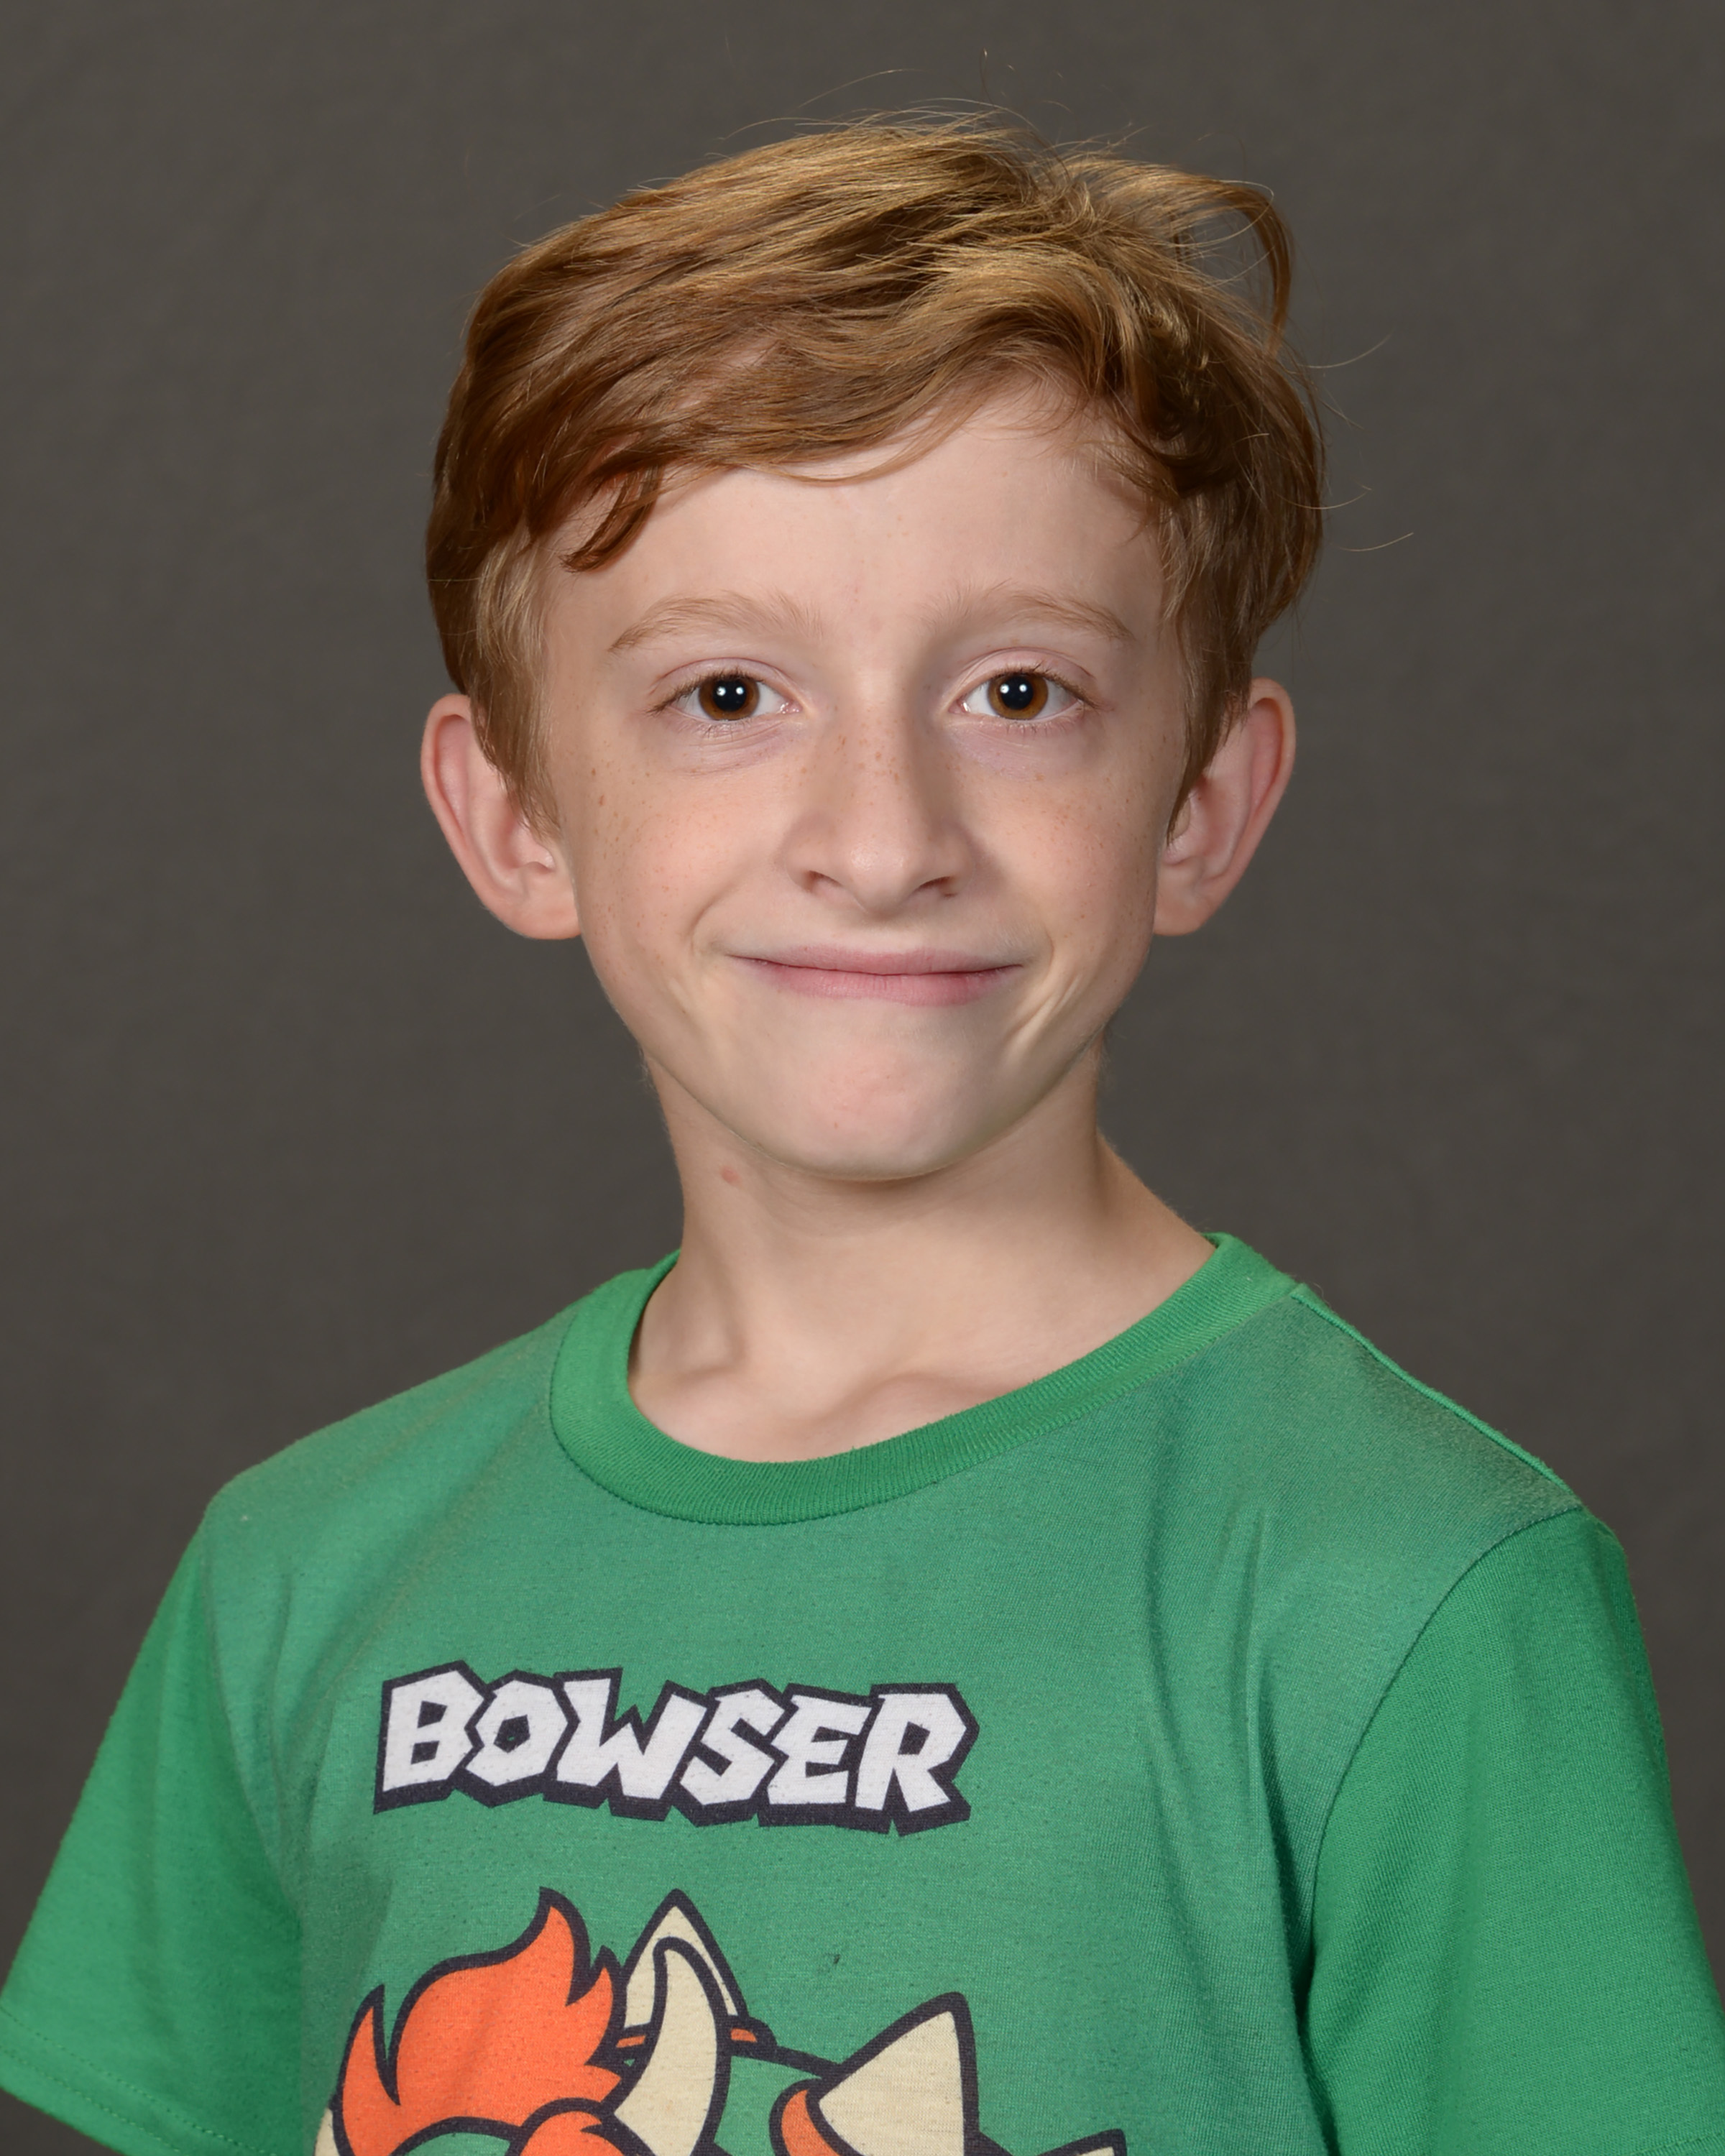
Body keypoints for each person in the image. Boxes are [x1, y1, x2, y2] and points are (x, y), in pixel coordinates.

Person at [1, 118, 1720, 2156]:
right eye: (730, 695)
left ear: (1202, 806)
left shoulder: (1408, 1589)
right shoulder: (303, 1572)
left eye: (1019, 693)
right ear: (516, 816)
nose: (885, 840)